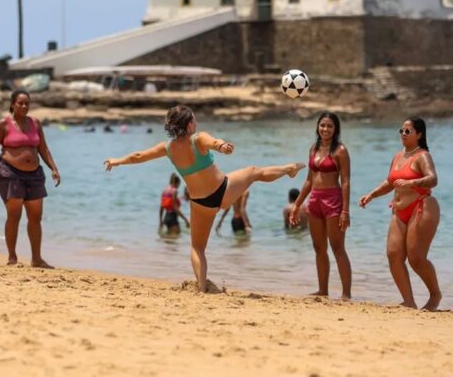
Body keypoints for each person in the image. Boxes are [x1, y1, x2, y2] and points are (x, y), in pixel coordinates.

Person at [104, 105, 304, 292]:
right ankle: (289, 169)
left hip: (200, 203)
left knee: (197, 247)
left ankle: (201, 286)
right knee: (254, 171)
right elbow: (213, 141)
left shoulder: (168, 148)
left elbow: (139, 156)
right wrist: (222, 145)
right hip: (222, 191)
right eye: (194, 120)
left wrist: (117, 161)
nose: (196, 123)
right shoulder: (197, 138)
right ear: (189, 124)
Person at [359, 117, 442, 311]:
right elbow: (391, 182)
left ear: (419, 134)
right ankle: (409, 301)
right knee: (394, 255)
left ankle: (435, 295)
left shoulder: (422, 155)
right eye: (401, 131)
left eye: (408, 131)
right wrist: (371, 195)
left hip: (422, 206)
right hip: (398, 210)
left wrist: (412, 183)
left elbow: (433, 179)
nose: (403, 134)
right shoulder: (398, 156)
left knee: (416, 258)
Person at [0, 90, 60, 268]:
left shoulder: (36, 123)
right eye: (20, 103)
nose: (24, 106)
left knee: (35, 217)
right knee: (14, 215)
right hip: (9, 173)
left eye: (27, 103)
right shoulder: (3, 124)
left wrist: (54, 168)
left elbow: (43, 149)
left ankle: (36, 258)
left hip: (34, 175)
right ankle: (12, 257)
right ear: (12, 104)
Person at [289, 112, 352, 299]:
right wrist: (297, 205)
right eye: (322, 125)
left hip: (333, 200)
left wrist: (345, 211)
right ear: (318, 127)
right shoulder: (313, 149)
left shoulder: (340, 150)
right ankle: (323, 291)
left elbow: (346, 181)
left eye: (330, 126)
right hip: (314, 200)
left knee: (338, 247)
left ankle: (346, 294)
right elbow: (309, 180)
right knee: (319, 248)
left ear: (336, 129)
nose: (325, 129)